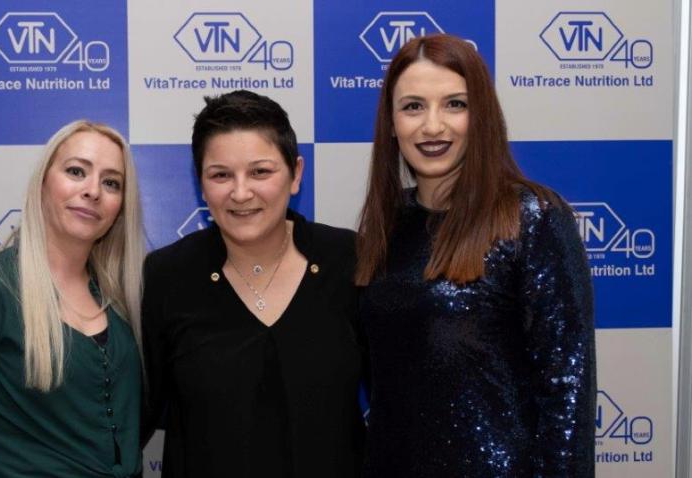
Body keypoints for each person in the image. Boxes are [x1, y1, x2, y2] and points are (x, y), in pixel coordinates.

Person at [356, 34, 596, 477]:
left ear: (480, 115)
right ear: (391, 123)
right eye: (413, 107)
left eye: (455, 104)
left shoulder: (532, 219)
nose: (432, 126)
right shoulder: (386, 225)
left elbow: (567, 391)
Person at [142, 90, 365, 478]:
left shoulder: (349, 260)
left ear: (296, 174)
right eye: (221, 175)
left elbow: (399, 398)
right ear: (201, 184)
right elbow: (133, 416)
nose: (241, 192)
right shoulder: (167, 276)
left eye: (260, 172)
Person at [0, 120, 145, 477]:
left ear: (120, 207)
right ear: (42, 183)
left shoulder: (121, 301)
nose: (93, 191)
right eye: (76, 171)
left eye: (111, 182)